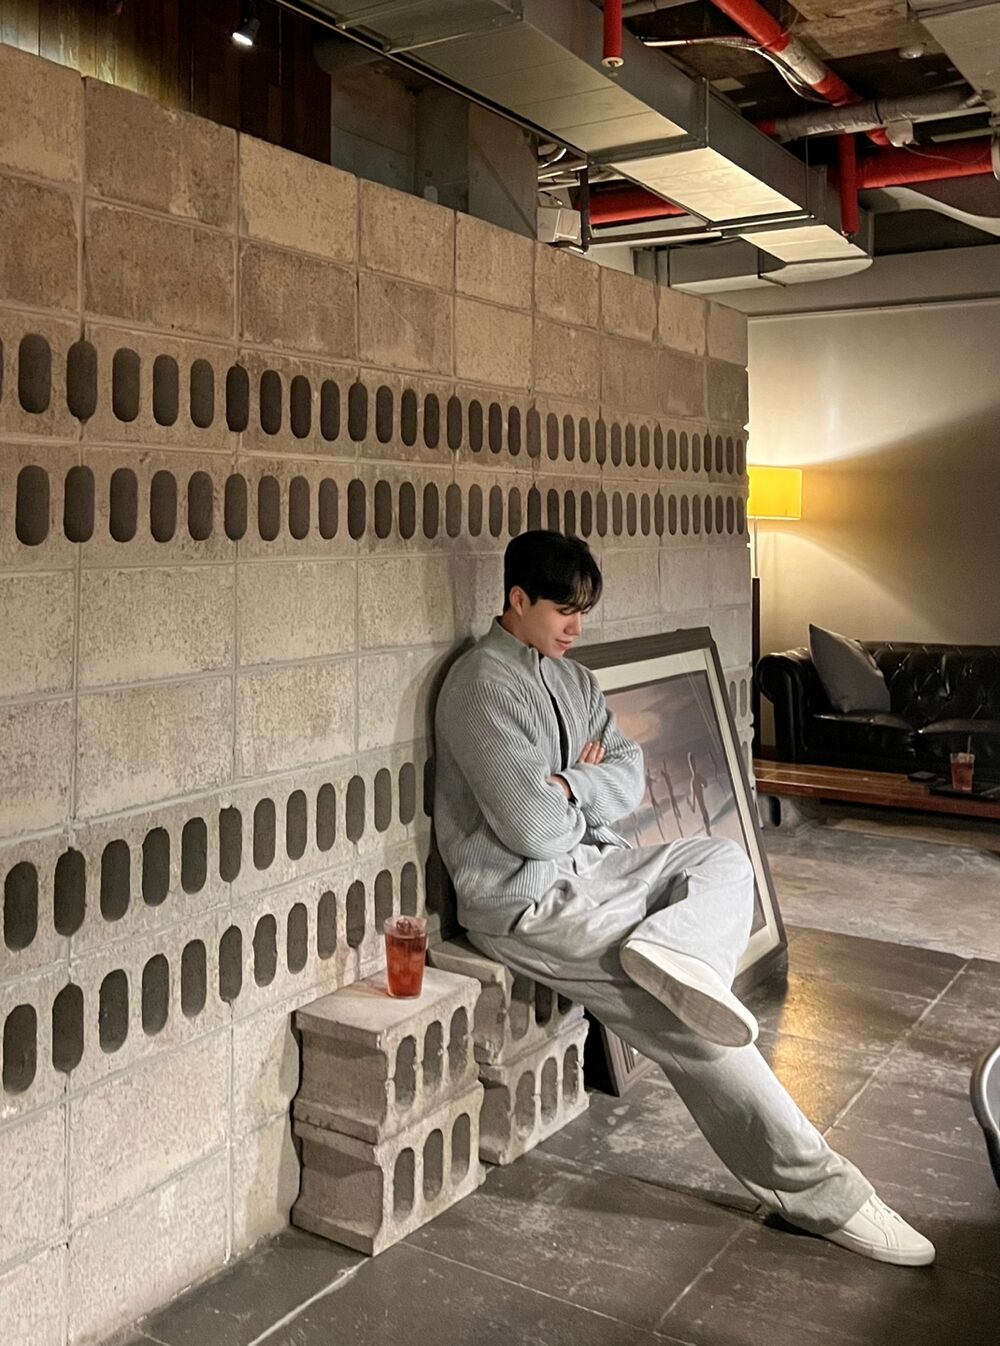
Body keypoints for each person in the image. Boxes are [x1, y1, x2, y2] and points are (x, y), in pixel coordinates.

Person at [434, 529, 934, 1268]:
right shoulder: (482, 686)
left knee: (722, 859)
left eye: (584, 611)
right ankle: (827, 1195)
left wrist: (566, 783)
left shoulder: (572, 681)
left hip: (599, 867)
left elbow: (631, 776)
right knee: (696, 1029)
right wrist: (582, 786)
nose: (578, 627)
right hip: (528, 901)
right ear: (517, 599)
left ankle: (674, 953)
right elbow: (535, 833)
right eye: (565, 611)